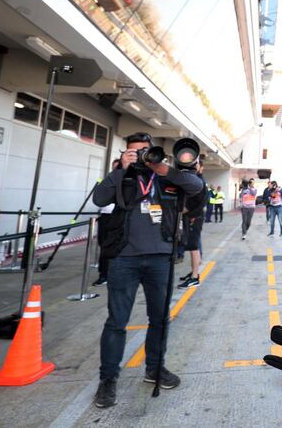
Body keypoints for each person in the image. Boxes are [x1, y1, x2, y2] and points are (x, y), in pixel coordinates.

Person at [91, 132, 203, 409]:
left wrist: (163, 168)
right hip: (123, 258)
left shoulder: (166, 176)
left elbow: (196, 186)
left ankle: (154, 369)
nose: (140, 155)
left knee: (160, 319)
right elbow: (99, 198)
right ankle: (108, 380)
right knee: (116, 322)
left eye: (145, 151)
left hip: (160, 258)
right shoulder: (121, 175)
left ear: (154, 151)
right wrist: (120, 169)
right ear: (125, 153)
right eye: (134, 151)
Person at [179, 159, 207, 289]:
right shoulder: (193, 180)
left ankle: (195, 277)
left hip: (193, 218)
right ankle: (193, 272)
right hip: (192, 217)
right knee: (193, 246)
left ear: (200, 167)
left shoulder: (200, 182)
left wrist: (187, 211)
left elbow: (199, 202)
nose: (193, 167)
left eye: (196, 164)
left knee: (193, 247)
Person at [93, 158, 121, 286]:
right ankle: (103, 274)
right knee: (104, 246)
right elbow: (99, 198)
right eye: (114, 168)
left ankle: (113, 273)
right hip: (105, 216)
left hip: (117, 217)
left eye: (119, 167)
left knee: (115, 246)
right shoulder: (108, 181)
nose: (116, 170)